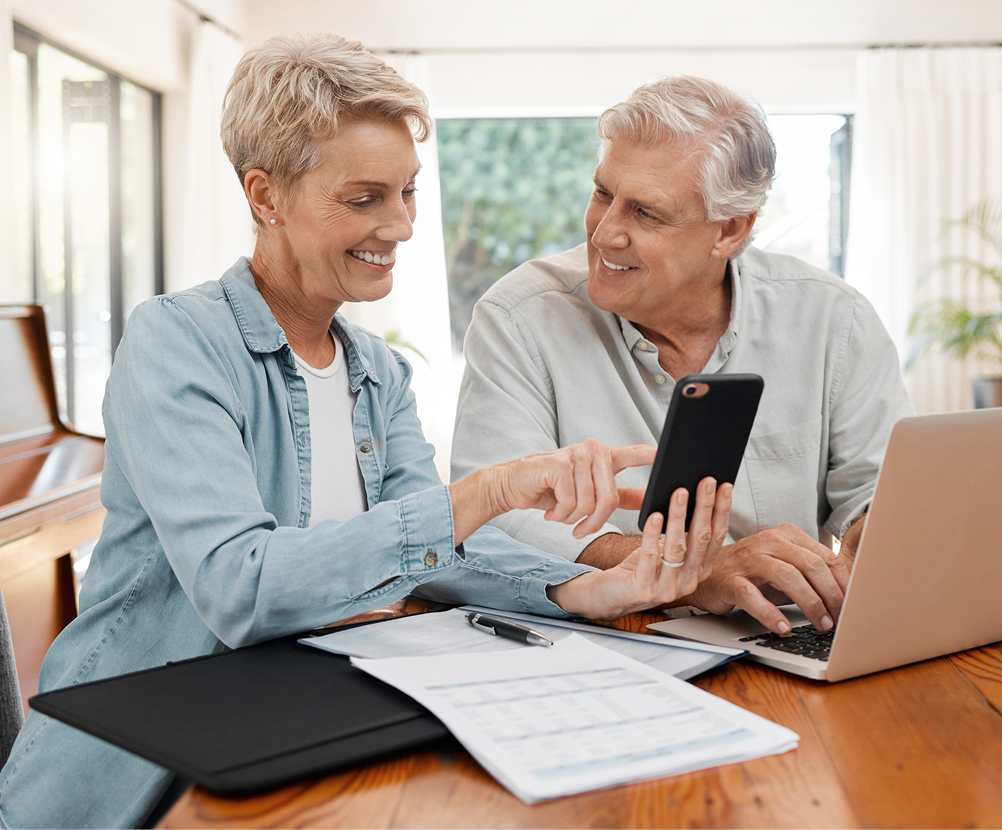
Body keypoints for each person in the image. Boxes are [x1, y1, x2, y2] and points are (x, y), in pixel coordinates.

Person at [0, 39, 732, 830]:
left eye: (409, 192)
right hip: (134, 775)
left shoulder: (378, 372)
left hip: (290, 733)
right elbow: (240, 589)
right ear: (265, 194)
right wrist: (484, 492)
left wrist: (585, 590)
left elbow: (438, 556)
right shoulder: (176, 343)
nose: (402, 226)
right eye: (364, 199)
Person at [452, 76, 915, 639]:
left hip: (787, 633)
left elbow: (882, 491)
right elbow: (489, 521)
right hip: (608, 640)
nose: (605, 233)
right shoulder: (520, 315)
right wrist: (691, 572)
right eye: (603, 194)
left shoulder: (833, 319)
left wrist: (881, 530)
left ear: (730, 230)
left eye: (645, 213)